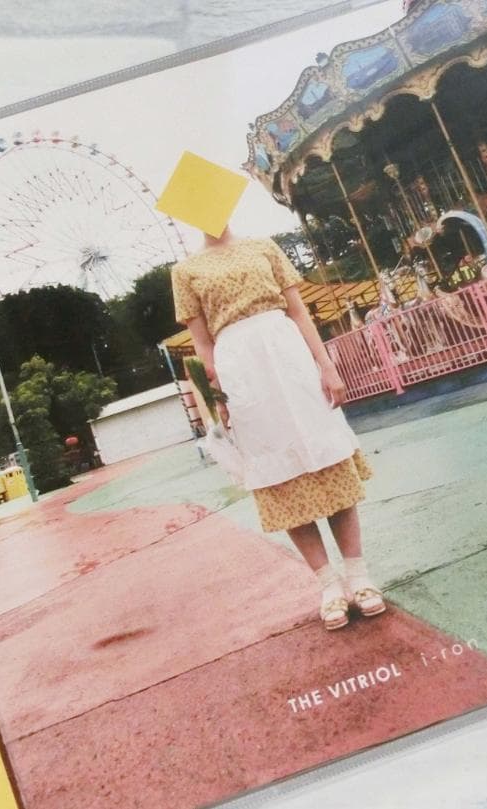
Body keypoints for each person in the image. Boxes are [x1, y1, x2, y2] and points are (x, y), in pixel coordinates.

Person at [171, 226, 386, 630]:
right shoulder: (185, 271)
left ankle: (358, 576)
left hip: (288, 354)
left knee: (327, 456)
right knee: (277, 472)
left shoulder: (263, 246)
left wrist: (326, 366)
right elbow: (202, 342)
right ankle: (329, 585)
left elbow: (298, 311)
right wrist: (217, 395)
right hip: (240, 369)